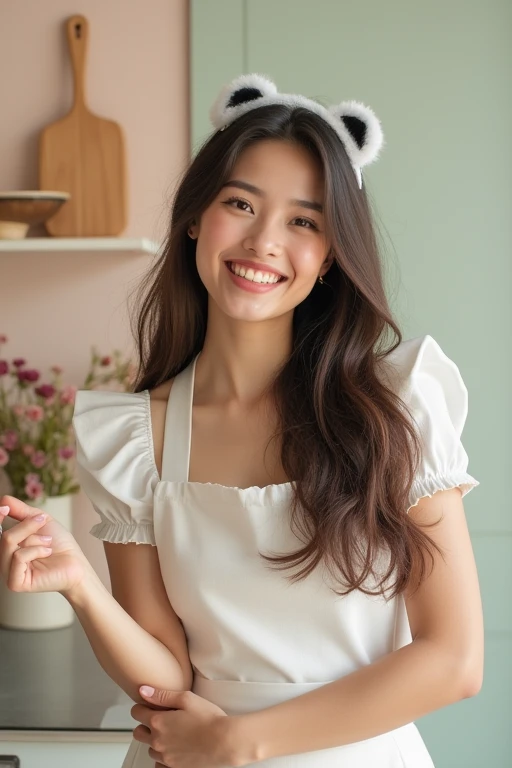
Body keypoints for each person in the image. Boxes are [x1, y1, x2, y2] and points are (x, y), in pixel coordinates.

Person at [0, 74, 483, 768]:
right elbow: (165, 676)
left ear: (328, 260)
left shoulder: (395, 409)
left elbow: (454, 659)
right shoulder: (137, 436)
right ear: (196, 216)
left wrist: (237, 742)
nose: (264, 242)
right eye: (240, 204)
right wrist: (80, 584)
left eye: (304, 221)